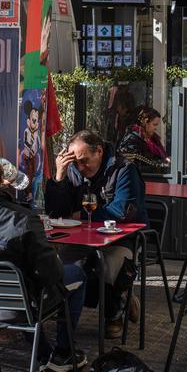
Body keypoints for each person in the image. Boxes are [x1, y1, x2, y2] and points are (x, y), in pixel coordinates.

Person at [0, 143, 88, 372]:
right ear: (0, 179)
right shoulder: (22, 219)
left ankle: (44, 353)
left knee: (22, 282)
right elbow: (51, 273)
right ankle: (63, 354)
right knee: (75, 275)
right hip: (17, 306)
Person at [46, 130, 147, 338]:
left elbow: (122, 211)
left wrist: (80, 214)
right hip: (82, 237)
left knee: (108, 265)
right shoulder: (73, 171)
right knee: (62, 264)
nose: (81, 168)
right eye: (76, 163)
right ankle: (66, 326)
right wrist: (59, 178)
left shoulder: (124, 170)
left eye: (84, 161)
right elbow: (57, 213)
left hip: (121, 237)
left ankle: (115, 311)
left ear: (99, 151)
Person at [118, 106, 170, 173]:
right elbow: (136, 166)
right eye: (154, 124)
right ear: (145, 122)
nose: (155, 128)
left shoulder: (154, 140)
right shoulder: (131, 141)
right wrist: (163, 163)